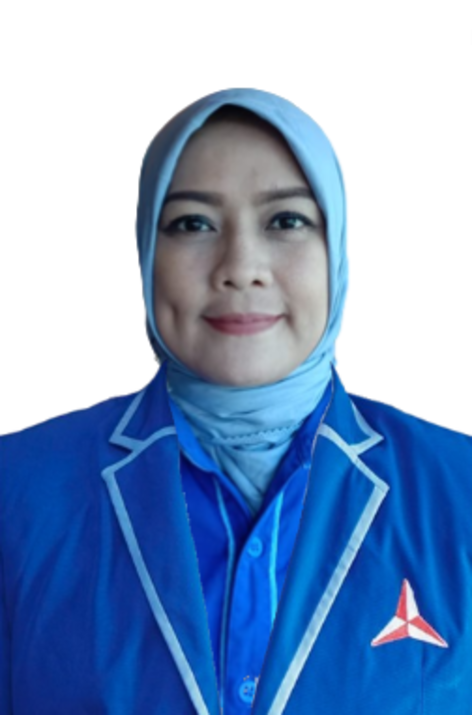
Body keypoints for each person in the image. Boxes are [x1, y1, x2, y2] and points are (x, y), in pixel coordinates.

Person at [0, 87, 471, 715]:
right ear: (147, 253)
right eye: (193, 224)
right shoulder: (16, 492)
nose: (241, 266)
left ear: (336, 250)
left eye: (286, 221)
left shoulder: (460, 490)